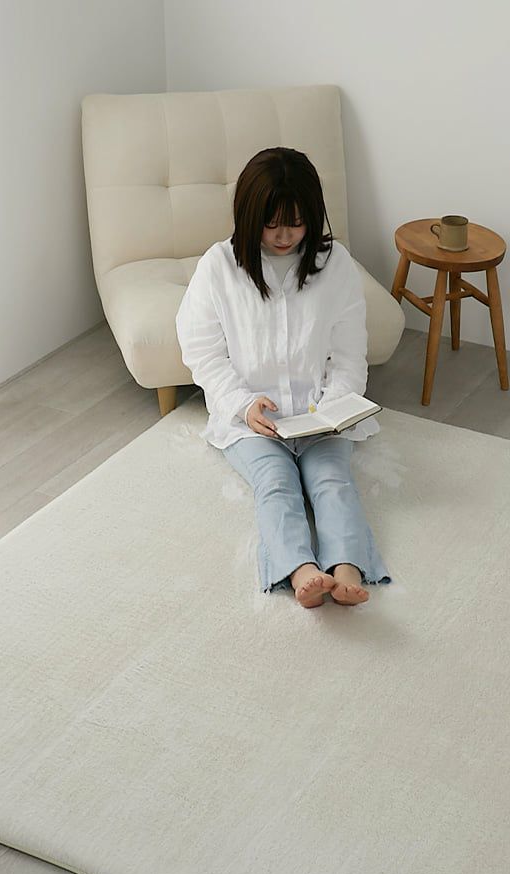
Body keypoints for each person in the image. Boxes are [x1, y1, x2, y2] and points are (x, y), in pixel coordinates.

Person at [175, 146, 392, 609]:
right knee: (275, 484)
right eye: (272, 224)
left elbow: (349, 352)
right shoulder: (219, 267)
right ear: (249, 215)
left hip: (321, 414)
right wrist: (242, 404)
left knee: (331, 480)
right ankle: (301, 571)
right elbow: (202, 352)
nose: (284, 235)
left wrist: (335, 406)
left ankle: (347, 567)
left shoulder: (334, 264)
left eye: (296, 223)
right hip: (252, 421)